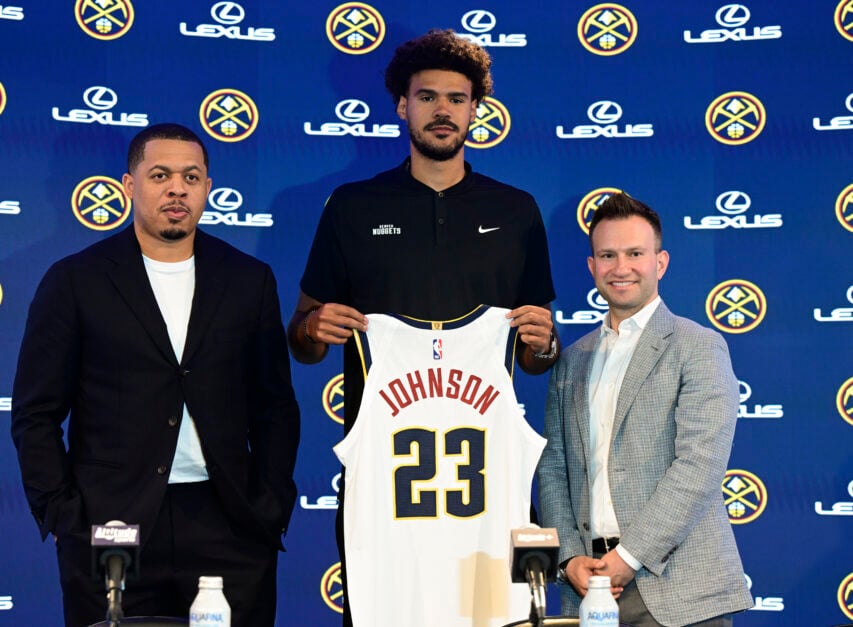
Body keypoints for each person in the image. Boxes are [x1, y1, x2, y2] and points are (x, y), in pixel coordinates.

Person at [287, 29, 558, 626]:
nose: (442, 110)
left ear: (475, 109)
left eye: (456, 99)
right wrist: (312, 329)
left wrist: (545, 342)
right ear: (401, 106)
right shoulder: (353, 206)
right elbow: (302, 340)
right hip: (381, 482)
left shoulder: (515, 210)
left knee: (493, 616)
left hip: (486, 484)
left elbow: (538, 352)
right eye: (427, 96)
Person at [11, 123, 300, 627]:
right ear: (130, 185)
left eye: (191, 177)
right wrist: (64, 515)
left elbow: (274, 405)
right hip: (110, 522)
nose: (177, 189)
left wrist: (270, 503)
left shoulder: (248, 279)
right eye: (160, 175)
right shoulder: (75, 280)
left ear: (207, 187)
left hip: (229, 520)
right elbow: (36, 413)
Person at [537, 192, 753, 626]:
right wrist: (569, 558)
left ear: (661, 262)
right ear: (592, 266)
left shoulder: (698, 347)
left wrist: (630, 556)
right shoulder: (571, 361)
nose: (621, 267)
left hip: (681, 593)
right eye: (608, 255)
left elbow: (699, 465)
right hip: (588, 590)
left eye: (635, 253)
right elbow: (554, 468)